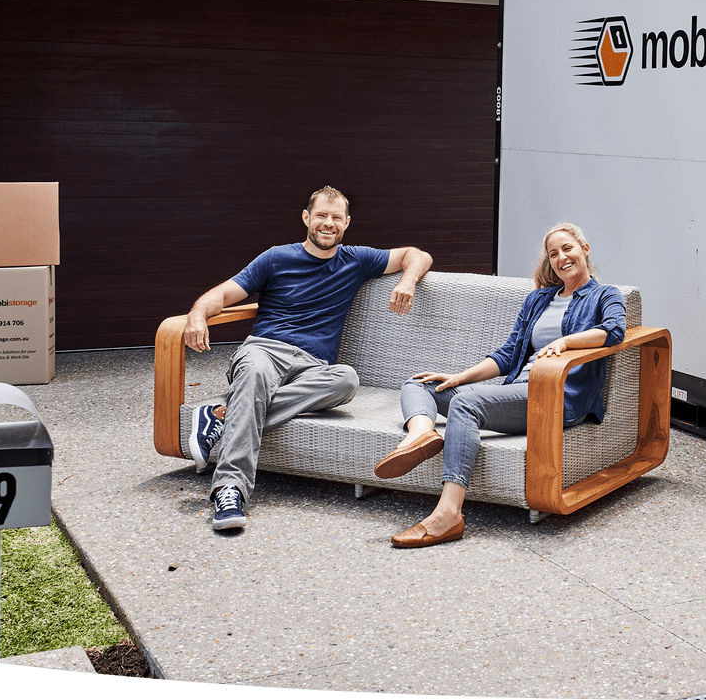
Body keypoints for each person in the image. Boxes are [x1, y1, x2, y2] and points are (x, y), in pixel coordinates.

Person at [182, 186, 433, 531]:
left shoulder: (357, 260)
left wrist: (407, 281)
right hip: (265, 350)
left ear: (346, 223)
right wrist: (197, 315)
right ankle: (230, 489)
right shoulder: (276, 258)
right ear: (306, 218)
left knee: (346, 379)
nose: (328, 224)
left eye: (335, 218)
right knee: (254, 375)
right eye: (321, 216)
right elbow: (224, 293)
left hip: (314, 366)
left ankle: (222, 417)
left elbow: (417, 254)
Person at [374, 222, 624, 547]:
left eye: (568, 248)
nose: (561, 257)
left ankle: (448, 515)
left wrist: (567, 342)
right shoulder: (539, 299)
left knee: (466, 404)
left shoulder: (605, 295)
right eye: (553, 253)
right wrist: (458, 377)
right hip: (515, 391)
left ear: (584, 250)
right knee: (419, 383)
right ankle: (421, 434)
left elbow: (614, 330)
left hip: (554, 397)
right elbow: (507, 356)